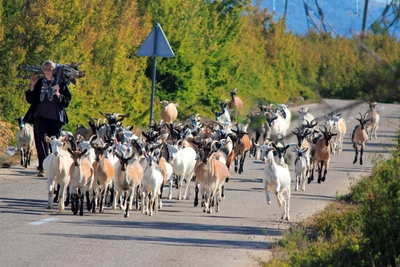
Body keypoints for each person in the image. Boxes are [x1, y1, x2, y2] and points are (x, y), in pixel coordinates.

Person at [23, 60, 71, 177]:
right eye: (45, 69)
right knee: (41, 140)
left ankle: (57, 166)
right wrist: (33, 86)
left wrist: (58, 93)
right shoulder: (39, 83)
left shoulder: (61, 83)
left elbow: (67, 102)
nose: (48, 71)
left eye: (50, 69)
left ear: (53, 71)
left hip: (55, 118)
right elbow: (31, 100)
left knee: (55, 141)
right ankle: (43, 167)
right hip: (40, 115)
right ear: (43, 71)